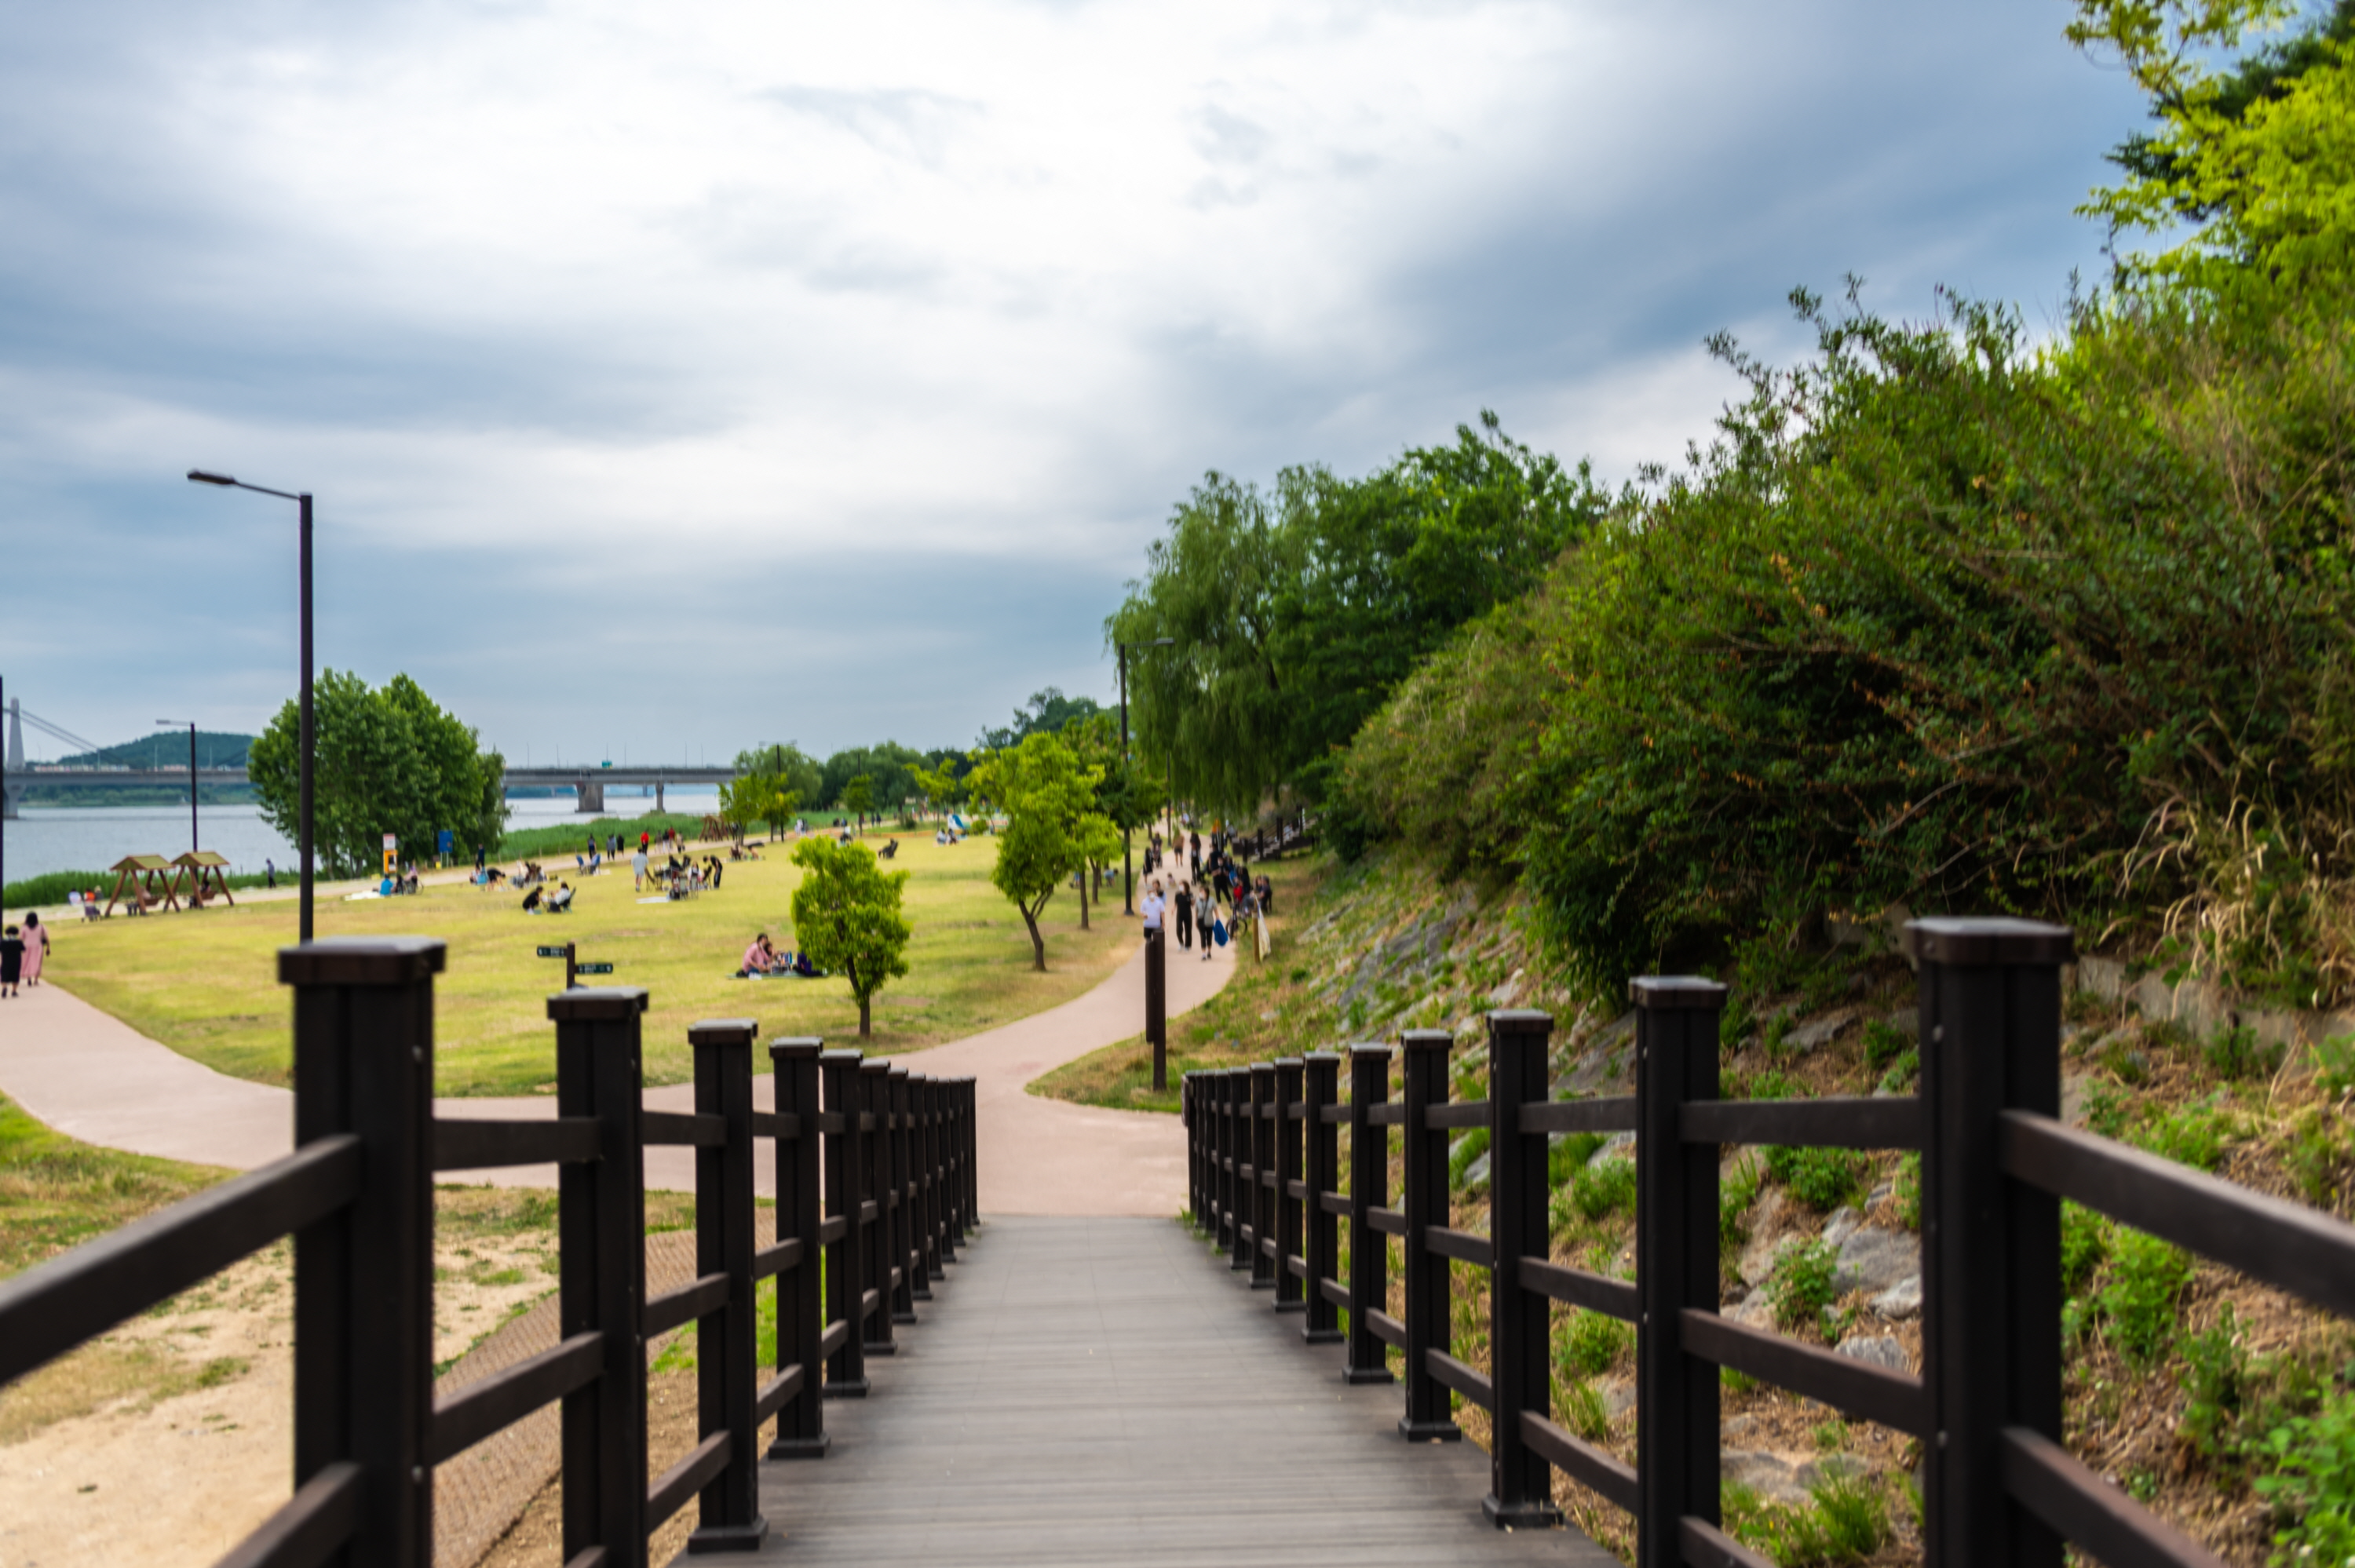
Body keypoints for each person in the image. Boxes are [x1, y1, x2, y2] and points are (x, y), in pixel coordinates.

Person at [21, 913, 47, 986]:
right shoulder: (41, 927)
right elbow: (46, 937)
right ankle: (36, 979)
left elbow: (21, 938)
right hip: (38, 946)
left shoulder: (24, 927)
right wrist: (48, 947)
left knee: (28, 961)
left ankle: (29, 977)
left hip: (27, 946)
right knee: (37, 961)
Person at [1, 925, 23, 997]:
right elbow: (23, 949)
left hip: (6, 960)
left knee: (4, 975)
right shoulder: (18, 941)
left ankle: (4, 987)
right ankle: (14, 991)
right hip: (16, 960)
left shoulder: (3, 942)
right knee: (15, 975)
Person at [1174, 882, 1194, 950]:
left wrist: (1193, 900)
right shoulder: (1178, 895)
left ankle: (1187, 946)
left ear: (1186, 886)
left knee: (1188, 930)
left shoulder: (1190, 894)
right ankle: (1181, 942)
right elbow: (1175, 903)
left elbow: (1193, 905)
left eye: (1182, 885)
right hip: (1180, 914)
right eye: (1180, 885)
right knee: (1178, 929)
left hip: (1188, 914)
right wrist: (1173, 909)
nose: (1180, 886)